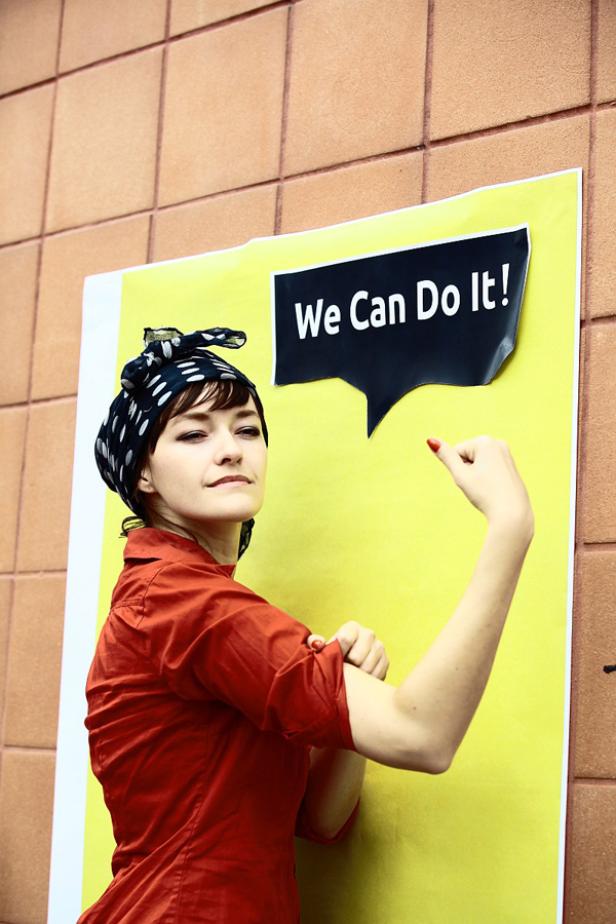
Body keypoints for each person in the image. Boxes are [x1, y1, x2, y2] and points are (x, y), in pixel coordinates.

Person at [80, 326, 534, 923]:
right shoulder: (181, 601)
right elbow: (423, 737)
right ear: (142, 475)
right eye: (193, 434)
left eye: (247, 429)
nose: (231, 449)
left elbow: (316, 821)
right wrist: (510, 526)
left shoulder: (180, 596)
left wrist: (346, 703)